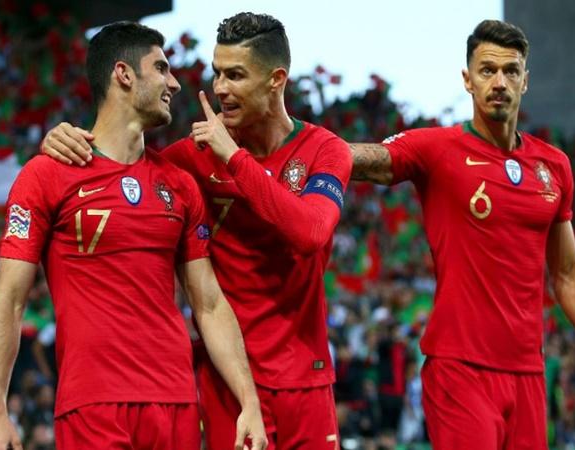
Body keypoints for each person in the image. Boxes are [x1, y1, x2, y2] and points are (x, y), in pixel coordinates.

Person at [41, 12, 352, 449]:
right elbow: (122, 164)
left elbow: (311, 233)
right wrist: (61, 139)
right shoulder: (188, 161)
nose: (220, 88)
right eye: (217, 73)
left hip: (305, 375)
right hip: (226, 382)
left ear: (276, 80)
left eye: (235, 75)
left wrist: (235, 160)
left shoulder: (325, 150)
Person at [0, 21, 266, 450]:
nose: (174, 83)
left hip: (176, 402)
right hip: (93, 404)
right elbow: (9, 299)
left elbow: (209, 303)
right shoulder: (47, 175)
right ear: (123, 74)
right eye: (161, 68)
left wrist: (249, 400)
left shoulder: (179, 184)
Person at [347, 20, 575, 449]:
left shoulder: (553, 166)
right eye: (487, 70)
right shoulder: (437, 148)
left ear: (525, 81)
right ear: (467, 80)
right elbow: (366, 159)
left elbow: (568, 276)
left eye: (511, 71)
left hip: (528, 374)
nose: (499, 82)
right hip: (460, 370)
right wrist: (293, 143)